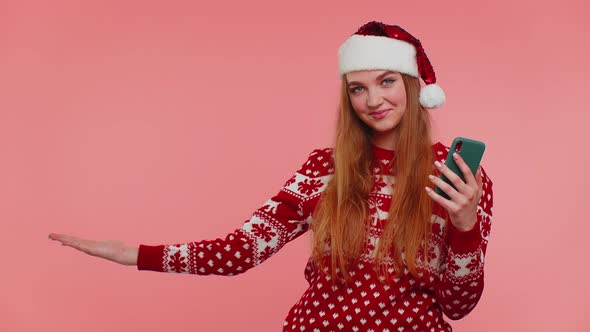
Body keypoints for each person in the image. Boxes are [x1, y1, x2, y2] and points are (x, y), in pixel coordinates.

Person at [49, 20, 494, 331]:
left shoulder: (458, 178)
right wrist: (132, 253)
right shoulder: (325, 169)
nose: (372, 100)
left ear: (414, 85)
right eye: (357, 88)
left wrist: (464, 226)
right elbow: (240, 251)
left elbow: (458, 306)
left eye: (387, 82)